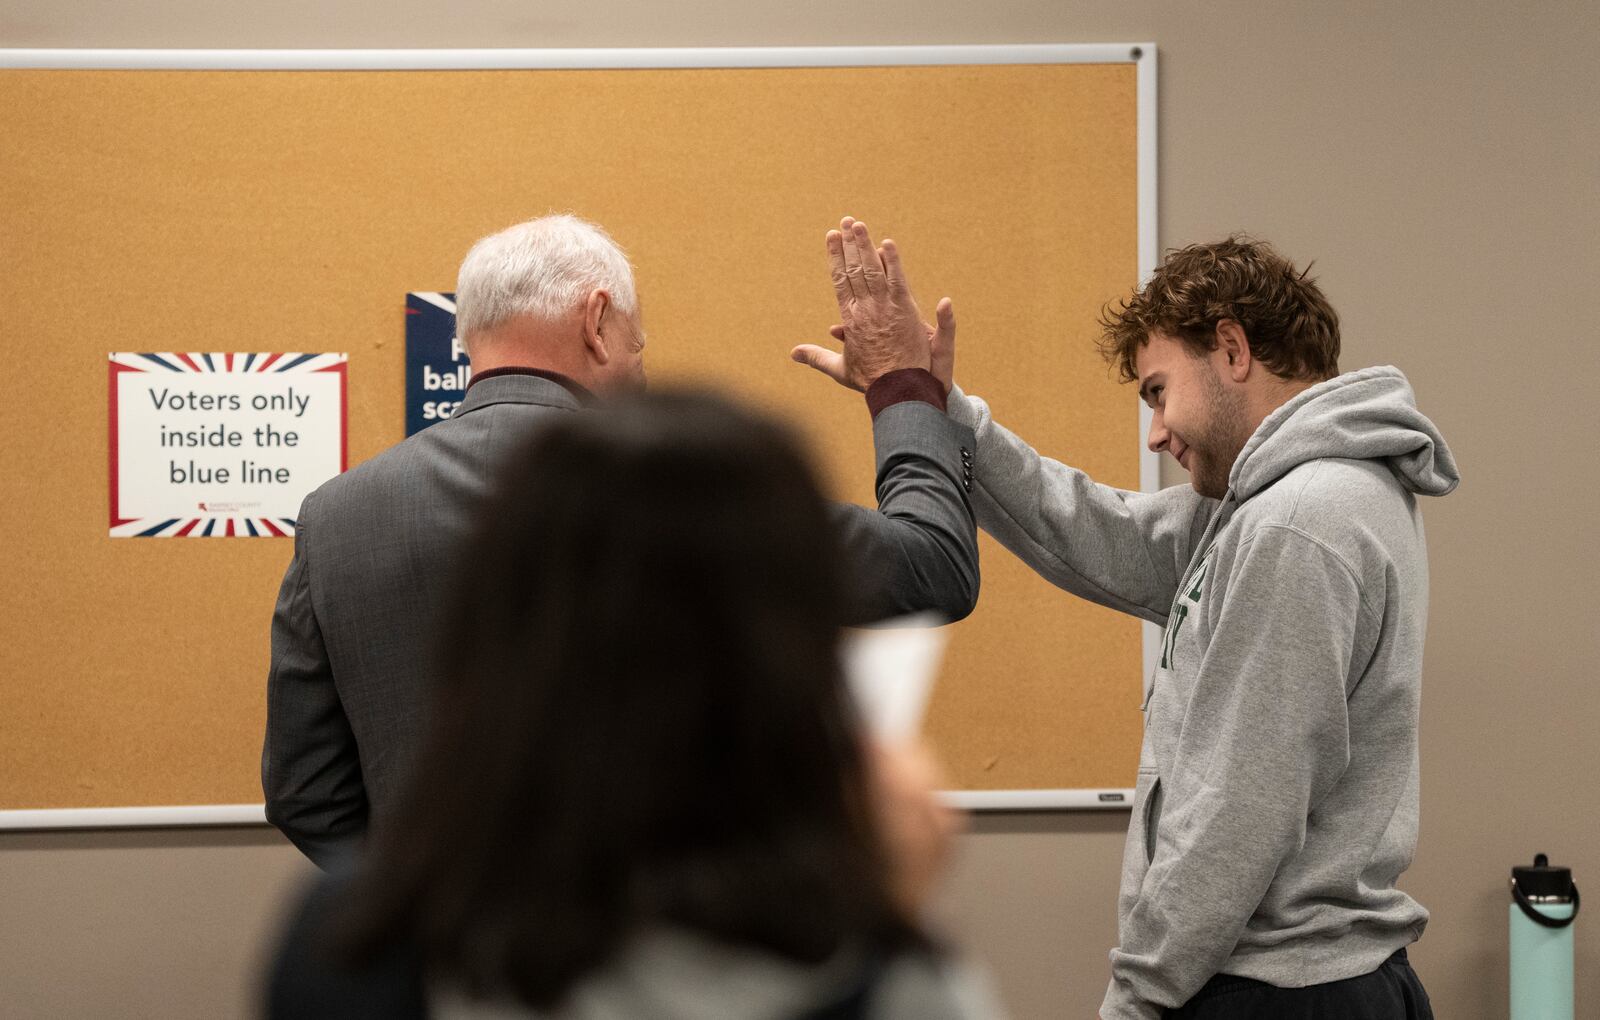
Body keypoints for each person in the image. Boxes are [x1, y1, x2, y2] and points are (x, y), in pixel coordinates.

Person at [793, 222, 1457, 1019]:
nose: (1156, 431)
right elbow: (1098, 534)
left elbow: (1236, 815)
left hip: (1282, 995)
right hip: (1289, 983)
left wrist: (1135, 1002)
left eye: (1158, 391)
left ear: (1233, 349)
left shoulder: (1298, 522)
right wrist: (936, 408)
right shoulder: (1277, 506)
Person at [263, 214, 979, 868]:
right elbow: (931, 567)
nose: (640, 364)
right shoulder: (686, 481)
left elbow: (305, 791)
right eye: (639, 342)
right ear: (598, 322)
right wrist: (899, 384)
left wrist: (424, 901)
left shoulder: (335, 516)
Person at [264, 391, 1005, 1020]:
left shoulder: (343, 949)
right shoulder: (872, 975)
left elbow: (306, 791)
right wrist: (887, 912)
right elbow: (929, 564)